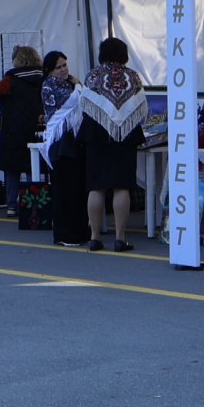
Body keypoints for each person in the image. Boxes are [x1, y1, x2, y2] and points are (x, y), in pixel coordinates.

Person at [78, 36, 147, 252]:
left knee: (96, 188)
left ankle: (95, 237)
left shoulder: (93, 75)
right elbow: (140, 106)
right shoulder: (132, 77)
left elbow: (86, 104)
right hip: (124, 136)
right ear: (123, 54)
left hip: (97, 135)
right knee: (122, 187)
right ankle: (120, 237)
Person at [0, 45, 45, 215]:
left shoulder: (11, 79)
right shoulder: (43, 78)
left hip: (13, 131)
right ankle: (33, 205)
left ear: (18, 60)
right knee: (34, 168)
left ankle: (11, 205)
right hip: (38, 130)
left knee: (12, 169)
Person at [40, 50, 89, 247]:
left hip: (72, 140)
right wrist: (78, 86)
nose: (63, 69)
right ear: (50, 70)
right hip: (59, 142)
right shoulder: (48, 86)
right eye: (58, 67)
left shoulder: (68, 84)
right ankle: (65, 234)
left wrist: (77, 86)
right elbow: (70, 103)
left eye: (64, 65)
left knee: (76, 188)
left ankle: (79, 231)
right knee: (64, 189)